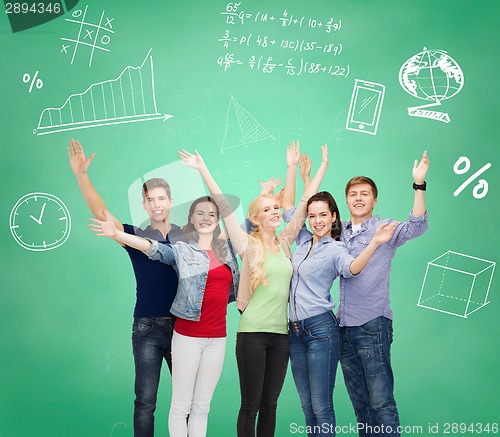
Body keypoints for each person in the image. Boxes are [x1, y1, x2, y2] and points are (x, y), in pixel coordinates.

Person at [176, 142, 329, 437]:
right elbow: (223, 206)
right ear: (256, 218)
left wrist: (315, 168)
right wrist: (202, 169)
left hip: (281, 336)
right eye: (267, 209)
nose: (274, 211)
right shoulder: (247, 244)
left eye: (276, 207)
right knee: (250, 406)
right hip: (252, 335)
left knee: (270, 406)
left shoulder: (285, 242)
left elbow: (306, 201)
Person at [89, 195, 240, 437]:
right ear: (190, 219)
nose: (206, 218)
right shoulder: (182, 249)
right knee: (177, 405)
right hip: (186, 335)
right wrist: (117, 234)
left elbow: (253, 224)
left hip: (217, 338)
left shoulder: (227, 250)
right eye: (200, 213)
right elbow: (152, 248)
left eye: (212, 214)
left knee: (201, 407)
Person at [67, 139, 182, 437]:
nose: (157, 204)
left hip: (184, 328)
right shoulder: (134, 235)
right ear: (144, 205)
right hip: (147, 327)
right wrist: (82, 176)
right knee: (145, 401)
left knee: (187, 401)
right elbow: (102, 212)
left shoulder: (187, 236)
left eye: (161, 198)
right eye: (151, 200)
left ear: (170, 201)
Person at [283, 153, 397, 437]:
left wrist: (374, 242)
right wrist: (296, 171)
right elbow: (290, 207)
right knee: (307, 405)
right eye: (312, 216)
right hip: (294, 331)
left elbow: (353, 268)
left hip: (321, 328)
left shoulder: (335, 248)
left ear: (334, 217)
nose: (317, 220)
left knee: (322, 406)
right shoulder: (301, 240)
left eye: (324, 215)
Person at [338, 151, 430, 437]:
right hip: (342, 328)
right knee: (361, 405)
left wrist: (419, 185)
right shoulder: (337, 231)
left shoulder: (385, 228)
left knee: (380, 403)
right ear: (347, 200)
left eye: (365, 194)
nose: (359, 198)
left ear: (374, 200)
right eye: (353, 194)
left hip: (373, 325)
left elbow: (418, 225)